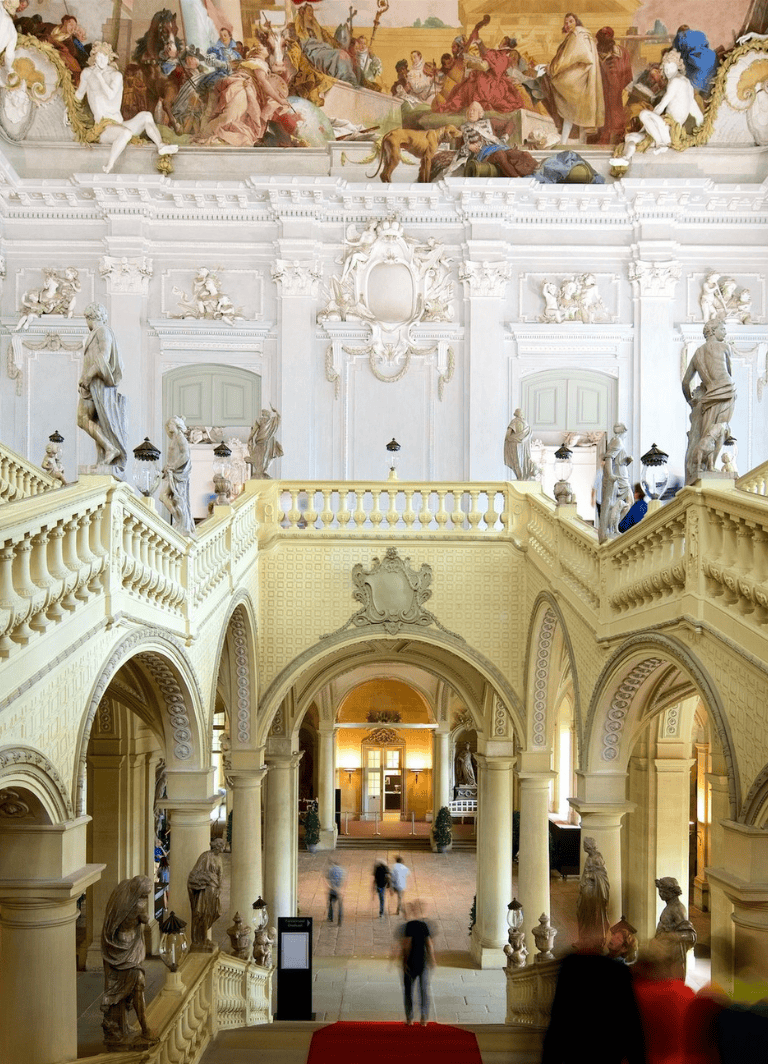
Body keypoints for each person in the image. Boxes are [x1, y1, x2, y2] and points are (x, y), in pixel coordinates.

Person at [74, 41, 179, 175]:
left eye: (104, 57)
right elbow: (79, 94)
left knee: (146, 115)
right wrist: (69, 109)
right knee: (126, 133)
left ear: (109, 58)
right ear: (94, 57)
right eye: (98, 57)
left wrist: (99, 77)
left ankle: (160, 145)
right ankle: (110, 164)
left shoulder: (115, 75)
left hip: (118, 124)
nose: (101, 60)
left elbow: (110, 95)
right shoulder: (87, 73)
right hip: (102, 128)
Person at [100, 876, 158, 1048]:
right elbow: (145, 919)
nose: (145, 898)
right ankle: (145, 1029)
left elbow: (110, 918)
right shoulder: (138, 906)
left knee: (120, 986)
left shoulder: (121, 894)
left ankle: (122, 1027)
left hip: (116, 945)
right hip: (130, 948)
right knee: (138, 983)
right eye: (145, 895)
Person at [77, 302, 128, 479]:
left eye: (86, 318)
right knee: (90, 420)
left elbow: (103, 356)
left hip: (97, 382)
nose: (86, 322)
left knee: (84, 419)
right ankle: (104, 455)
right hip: (91, 383)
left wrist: (88, 375)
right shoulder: (96, 333)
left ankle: (110, 448)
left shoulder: (103, 331)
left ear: (91, 316)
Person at [682, 319, 736, 484]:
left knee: (707, 434)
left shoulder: (697, 354)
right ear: (712, 331)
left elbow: (685, 382)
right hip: (727, 391)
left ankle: (703, 468)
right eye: (722, 329)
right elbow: (730, 372)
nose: (725, 332)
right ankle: (709, 468)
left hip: (709, 396)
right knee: (720, 430)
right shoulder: (725, 347)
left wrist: (690, 401)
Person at [543, 12, 604, 144]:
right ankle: (569, 142)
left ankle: (566, 141)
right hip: (584, 77)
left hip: (578, 78)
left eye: (571, 21)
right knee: (575, 113)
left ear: (576, 21)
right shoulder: (584, 34)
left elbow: (566, 59)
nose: (568, 25)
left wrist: (552, 69)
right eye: (566, 23)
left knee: (569, 109)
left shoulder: (577, 35)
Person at [399, 900, 435, 1026]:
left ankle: (409, 1019)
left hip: (411, 962)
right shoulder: (424, 926)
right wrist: (432, 959)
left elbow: (407, 945)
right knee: (423, 991)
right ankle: (424, 1019)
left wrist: (404, 962)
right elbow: (429, 944)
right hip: (422, 961)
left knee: (408, 991)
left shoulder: (409, 926)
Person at [159, 416, 196, 537]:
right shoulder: (174, 438)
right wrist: (167, 467)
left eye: (171, 424)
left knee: (175, 498)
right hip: (172, 472)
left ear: (176, 425)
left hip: (177, 473)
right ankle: (179, 521)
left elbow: (186, 456)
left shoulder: (180, 438)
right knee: (163, 496)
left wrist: (173, 466)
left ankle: (182, 522)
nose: (169, 426)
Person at [187, 838, 226, 949]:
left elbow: (220, 875)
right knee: (203, 913)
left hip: (214, 890)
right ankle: (200, 939)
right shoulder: (205, 856)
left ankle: (203, 938)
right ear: (217, 846)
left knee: (213, 913)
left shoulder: (219, 859)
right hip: (205, 889)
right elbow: (194, 873)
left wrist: (220, 888)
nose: (223, 849)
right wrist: (206, 878)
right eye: (221, 846)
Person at [595, 27, 632, 144]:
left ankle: (616, 136)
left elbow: (627, 72)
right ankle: (604, 136)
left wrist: (619, 85)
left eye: (607, 36)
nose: (605, 39)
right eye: (602, 37)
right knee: (602, 111)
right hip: (600, 87)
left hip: (615, 87)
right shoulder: (594, 53)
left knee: (615, 110)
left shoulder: (621, 52)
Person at [576, 836, 610, 952]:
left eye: (585, 845)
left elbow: (603, 876)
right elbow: (586, 873)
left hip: (594, 894)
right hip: (586, 892)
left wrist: (590, 876)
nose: (584, 847)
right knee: (582, 914)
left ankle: (595, 941)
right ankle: (584, 939)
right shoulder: (589, 857)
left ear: (589, 847)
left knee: (594, 917)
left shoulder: (597, 858)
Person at [247, 405, 284, 478]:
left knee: (261, 457)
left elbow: (253, 431)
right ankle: (262, 471)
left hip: (262, 442)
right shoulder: (271, 421)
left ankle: (261, 472)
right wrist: (275, 411)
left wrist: (249, 438)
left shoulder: (262, 420)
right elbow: (279, 418)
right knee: (264, 458)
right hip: (265, 442)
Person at [504, 409, 537, 480]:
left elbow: (508, 434)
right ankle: (522, 477)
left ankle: (521, 477)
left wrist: (508, 439)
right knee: (522, 461)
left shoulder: (516, 422)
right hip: (522, 445)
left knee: (518, 461)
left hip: (517, 444)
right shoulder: (524, 423)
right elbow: (529, 434)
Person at [327, 859, 345, 925]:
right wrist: (342, 890)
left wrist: (329, 887)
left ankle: (330, 917)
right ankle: (339, 920)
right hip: (339, 890)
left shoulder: (330, 870)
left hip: (332, 889)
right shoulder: (341, 870)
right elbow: (344, 880)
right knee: (340, 905)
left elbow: (328, 880)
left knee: (331, 903)